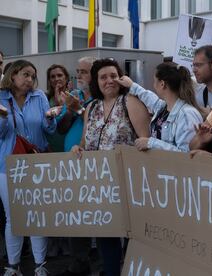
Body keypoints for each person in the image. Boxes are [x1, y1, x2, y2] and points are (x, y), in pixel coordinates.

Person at [71, 58, 150, 276]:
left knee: (131, 236)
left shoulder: (130, 102)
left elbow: (146, 140)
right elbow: (86, 142)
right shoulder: (92, 107)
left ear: (121, 77)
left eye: (113, 76)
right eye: (103, 77)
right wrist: (78, 148)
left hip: (127, 182)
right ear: (96, 81)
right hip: (99, 185)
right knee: (106, 236)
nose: (109, 81)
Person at [0, 60, 57, 276]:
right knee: (13, 216)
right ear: (12, 75)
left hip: (36, 162)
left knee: (37, 213)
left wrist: (50, 118)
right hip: (7, 165)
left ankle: (40, 264)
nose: (30, 79)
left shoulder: (39, 96)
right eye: (25, 74)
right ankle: (13, 266)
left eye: (33, 75)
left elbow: (47, 130)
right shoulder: (1, 97)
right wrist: (3, 117)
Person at [56, 56, 96, 276]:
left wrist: (80, 110)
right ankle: (78, 263)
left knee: (96, 215)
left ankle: (100, 263)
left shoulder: (100, 99)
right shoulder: (75, 96)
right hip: (71, 164)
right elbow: (61, 129)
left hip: (92, 164)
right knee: (75, 215)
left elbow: (93, 125)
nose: (79, 75)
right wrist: (70, 110)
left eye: (84, 71)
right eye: (77, 71)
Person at [118, 62, 203, 152]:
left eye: (155, 81)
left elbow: (185, 154)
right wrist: (132, 85)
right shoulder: (163, 108)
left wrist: (151, 143)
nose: (153, 85)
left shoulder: (187, 114)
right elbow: (150, 99)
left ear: (162, 84)